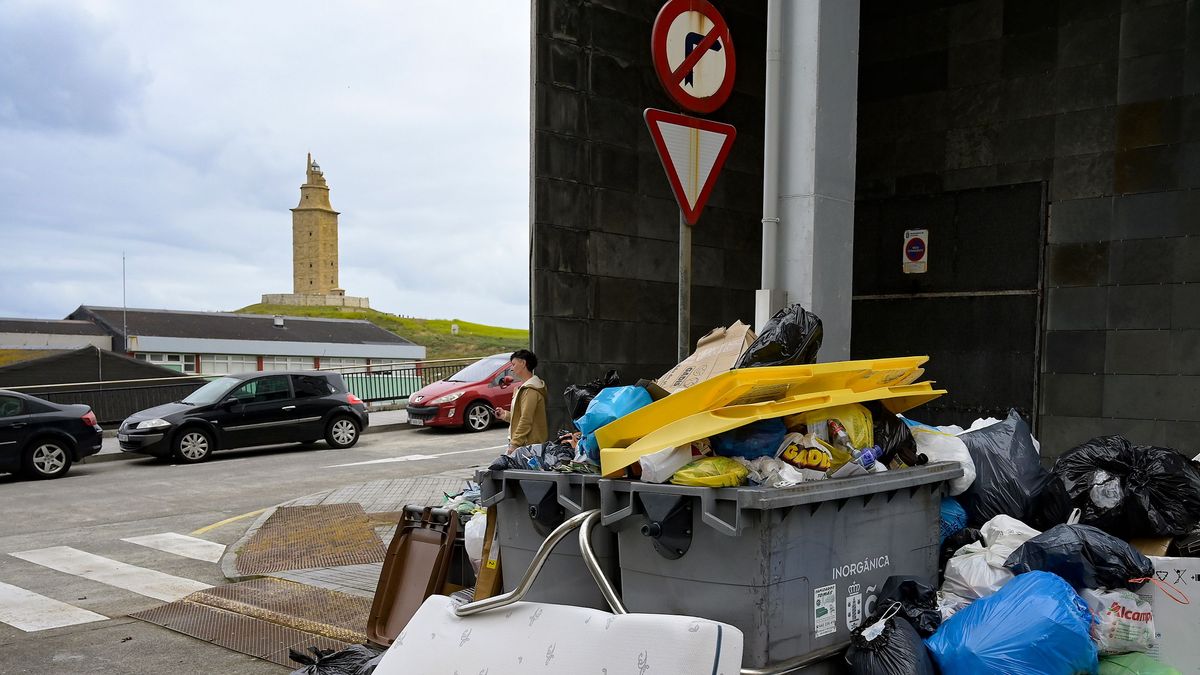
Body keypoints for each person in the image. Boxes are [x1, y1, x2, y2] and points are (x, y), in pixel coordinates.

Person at [494, 349, 548, 454]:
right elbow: (521, 417)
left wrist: (514, 444)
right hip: (524, 444)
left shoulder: (530, 390)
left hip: (528, 446)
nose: (511, 369)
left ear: (523, 363)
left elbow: (526, 420)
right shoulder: (524, 388)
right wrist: (504, 415)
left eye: (513, 364)